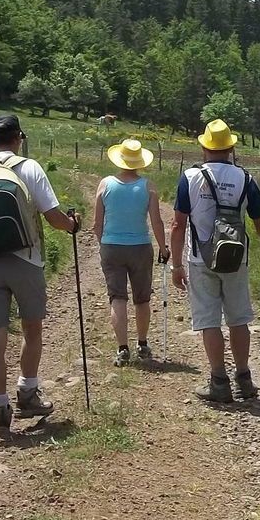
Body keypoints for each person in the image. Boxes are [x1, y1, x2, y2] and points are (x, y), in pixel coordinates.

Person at [0, 113, 80, 436]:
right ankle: (27, 393)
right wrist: (72, 225)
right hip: (26, 261)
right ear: (19, 138)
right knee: (31, 330)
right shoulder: (29, 168)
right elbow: (53, 217)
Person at [170, 119, 260, 403]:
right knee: (239, 318)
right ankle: (244, 379)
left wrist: (176, 265)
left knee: (209, 321)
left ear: (204, 148)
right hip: (236, 257)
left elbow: (178, 225)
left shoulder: (190, 178)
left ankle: (219, 381)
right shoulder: (245, 179)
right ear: (231, 149)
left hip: (200, 259)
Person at [93, 138, 170, 366]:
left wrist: (103, 243)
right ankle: (142, 343)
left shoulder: (105, 184)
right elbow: (156, 222)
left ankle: (122, 348)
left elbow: (97, 223)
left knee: (117, 297)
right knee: (142, 298)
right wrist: (163, 247)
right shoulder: (148, 187)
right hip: (140, 247)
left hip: (111, 246)